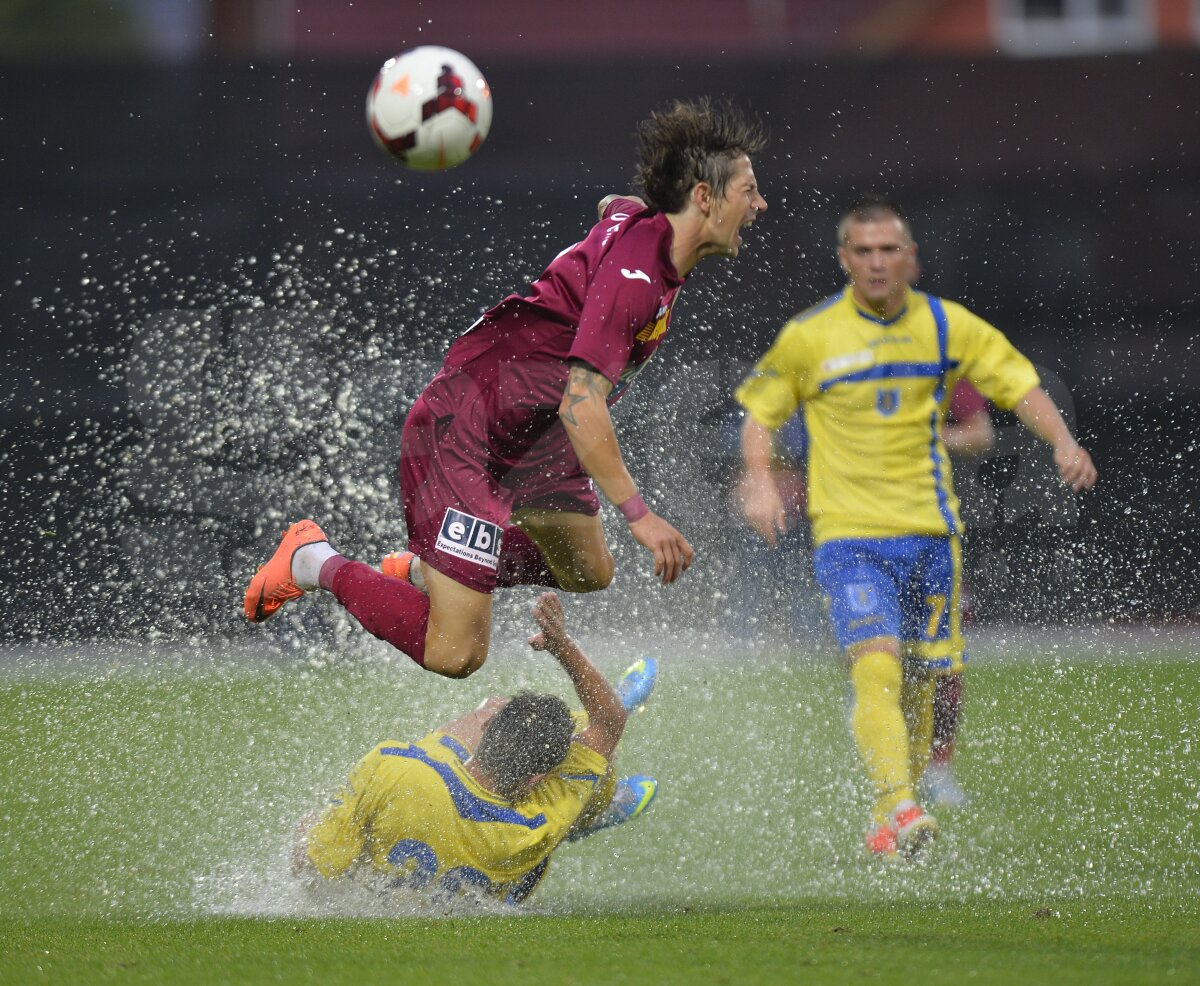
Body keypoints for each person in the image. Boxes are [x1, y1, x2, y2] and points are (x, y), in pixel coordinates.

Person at [244, 98, 768, 679]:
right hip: (465, 431)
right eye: (748, 190)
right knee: (457, 654)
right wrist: (640, 514)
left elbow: (613, 207)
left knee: (589, 571)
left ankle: (425, 571)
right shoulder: (636, 278)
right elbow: (581, 402)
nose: (759, 204)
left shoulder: (651, 230)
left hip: (533, 436)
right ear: (703, 197)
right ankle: (314, 559)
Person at [735, 196, 1097, 858]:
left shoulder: (945, 327)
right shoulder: (811, 335)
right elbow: (760, 413)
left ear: (911, 259)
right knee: (875, 668)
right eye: (863, 252)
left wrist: (1063, 441)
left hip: (931, 536)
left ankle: (890, 809)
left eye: (888, 250)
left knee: (924, 679)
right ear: (845, 260)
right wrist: (760, 481)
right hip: (849, 538)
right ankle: (898, 805)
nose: (876, 262)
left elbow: (1017, 385)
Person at [292, 592, 659, 907]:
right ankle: (595, 808)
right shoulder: (531, 827)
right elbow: (608, 725)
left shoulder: (393, 765)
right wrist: (561, 645)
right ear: (537, 779)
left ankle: (584, 739)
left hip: (429, 791)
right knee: (592, 758)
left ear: (485, 734)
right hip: (513, 855)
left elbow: (313, 864)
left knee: (495, 707)